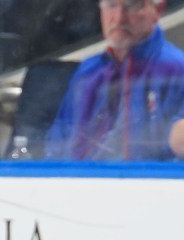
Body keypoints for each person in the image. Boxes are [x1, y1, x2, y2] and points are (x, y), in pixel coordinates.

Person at [46, 0, 184, 161]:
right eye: (111, 5)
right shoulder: (88, 71)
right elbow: (56, 146)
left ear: (157, 10)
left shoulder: (177, 72)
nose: (119, 18)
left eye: (132, 6)